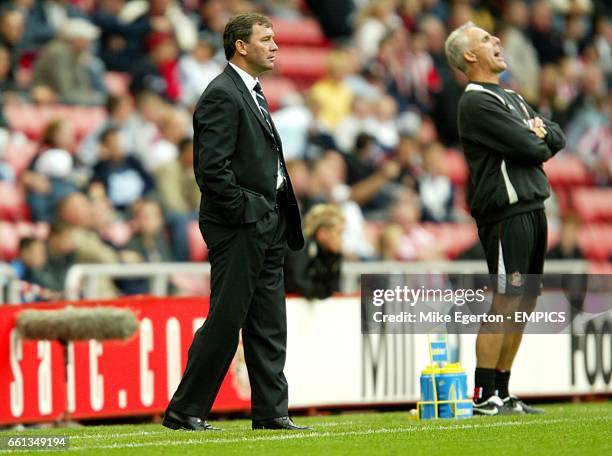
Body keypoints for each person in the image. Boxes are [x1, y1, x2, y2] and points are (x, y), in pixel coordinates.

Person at [163, 13, 307, 432]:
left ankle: (272, 412)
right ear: (241, 46)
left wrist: (270, 212)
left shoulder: (249, 93)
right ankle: (186, 409)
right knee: (227, 320)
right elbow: (211, 170)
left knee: (268, 322)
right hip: (242, 224)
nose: (276, 45)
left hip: (268, 221)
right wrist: (251, 211)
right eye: (266, 38)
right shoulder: (222, 94)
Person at [444, 22, 566, 415]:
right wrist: (537, 136)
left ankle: (504, 390)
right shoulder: (476, 101)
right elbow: (532, 147)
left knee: (525, 301)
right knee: (506, 298)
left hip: (533, 208)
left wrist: (539, 133)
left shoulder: (510, 96)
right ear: (469, 56)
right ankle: (484, 395)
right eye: (485, 39)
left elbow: (556, 135)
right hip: (505, 213)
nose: (497, 40)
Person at [284, 204, 344, 300]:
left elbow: (334, 287)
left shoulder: (332, 254)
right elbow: (297, 282)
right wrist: (322, 292)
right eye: (339, 232)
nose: (341, 238)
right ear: (322, 233)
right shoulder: (301, 246)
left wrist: (334, 257)